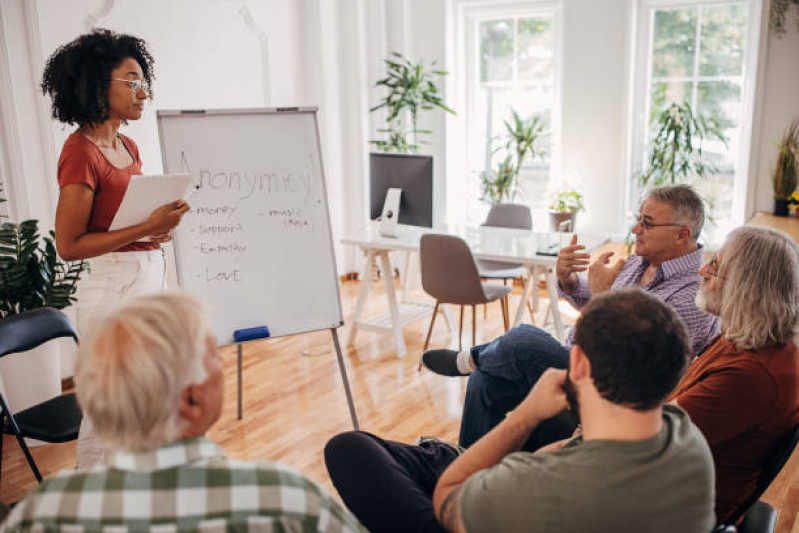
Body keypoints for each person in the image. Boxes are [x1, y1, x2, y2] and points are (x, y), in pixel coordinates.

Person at [325, 289, 716, 533]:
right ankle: (449, 452)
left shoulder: (547, 490)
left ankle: (453, 454)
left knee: (348, 450)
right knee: (473, 404)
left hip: (484, 506)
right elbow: (580, 452)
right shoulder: (686, 437)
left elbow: (449, 498)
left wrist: (527, 414)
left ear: (577, 363)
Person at [0, 292, 364, 533]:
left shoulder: (45, 510)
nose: (223, 362)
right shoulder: (288, 499)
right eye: (213, 356)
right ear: (191, 401)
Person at [422, 184, 720, 447]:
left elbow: (627, 356)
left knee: (525, 339)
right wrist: (570, 281)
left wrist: (604, 297)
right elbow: (594, 299)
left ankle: (469, 359)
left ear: (682, 234)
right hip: (578, 362)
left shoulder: (694, 295)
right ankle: (464, 474)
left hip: (614, 389)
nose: (636, 229)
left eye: (647, 223)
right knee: (484, 382)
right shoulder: (641, 262)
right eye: (638, 219)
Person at [41, 29, 190, 469]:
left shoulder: (128, 145)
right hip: (112, 295)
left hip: (147, 281)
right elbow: (68, 245)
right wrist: (146, 226)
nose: (143, 92)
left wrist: (155, 231)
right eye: (132, 80)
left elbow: (120, 221)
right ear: (96, 84)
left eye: (144, 81)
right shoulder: (80, 153)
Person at [669, 225, 799, 523]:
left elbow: (646, 440)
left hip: (671, 507)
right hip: (667, 473)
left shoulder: (754, 375)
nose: (702, 270)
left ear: (748, 288)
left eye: (715, 267)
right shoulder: (747, 335)